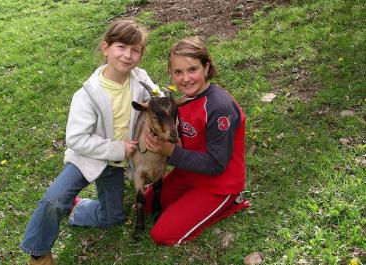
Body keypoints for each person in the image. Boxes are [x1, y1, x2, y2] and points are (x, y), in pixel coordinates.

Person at [20, 19, 158, 265]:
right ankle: (38, 252)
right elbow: (76, 138)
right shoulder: (87, 94)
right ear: (106, 48)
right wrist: (118, 147)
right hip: (88, 158)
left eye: (135, 49)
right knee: (53, 201)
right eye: (121, 47)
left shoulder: (140, 79)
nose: (127, 55)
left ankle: (79, 207)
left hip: (117, 165)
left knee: (112, 219)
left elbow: (156, 99)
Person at [143, 37, 249, 245]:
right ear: (170, 73)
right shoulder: (180, 101)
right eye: (178, 72)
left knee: (163, 235)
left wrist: (170, 152)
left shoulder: (219, 107)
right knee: (146, 204)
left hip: (218, 183)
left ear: (206, 67)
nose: (185, 78)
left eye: (192, 70)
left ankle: (229, 202)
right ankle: (188, 203)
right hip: (188, 174)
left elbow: (217, 164)